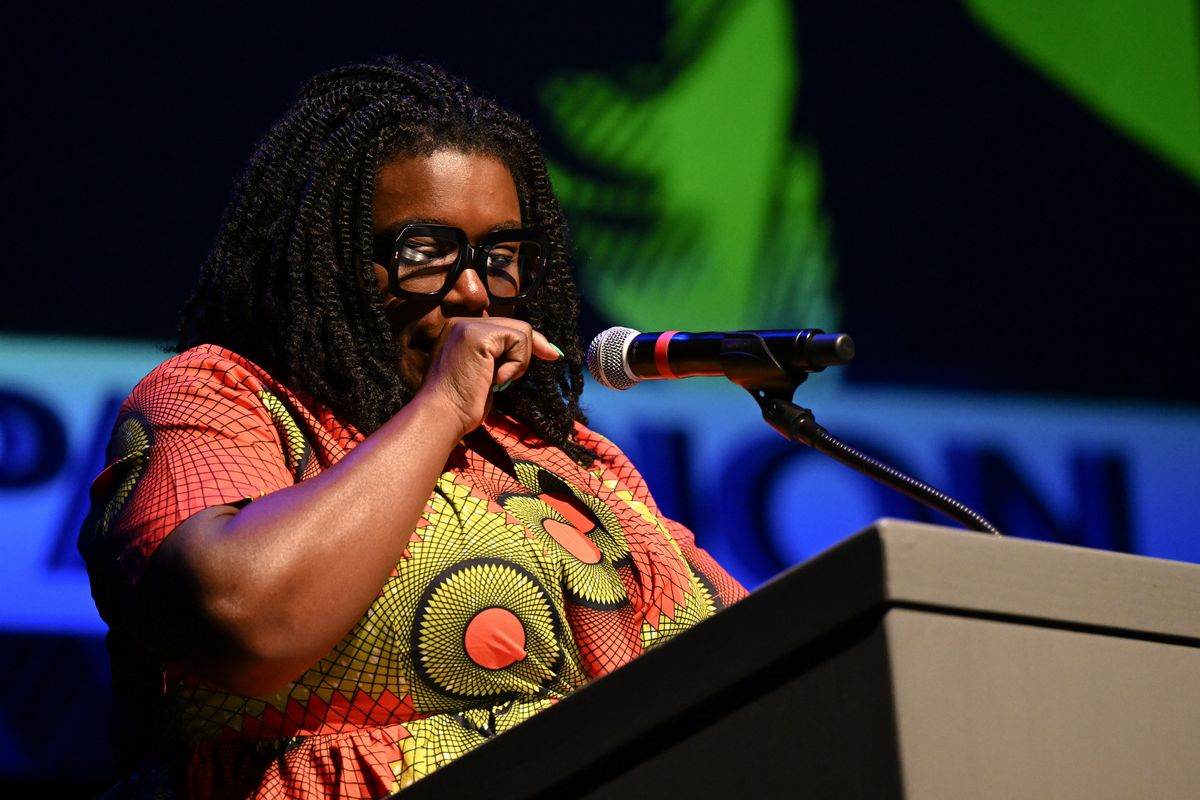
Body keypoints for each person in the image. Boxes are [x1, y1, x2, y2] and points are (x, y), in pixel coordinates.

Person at [79, 58, 746, 799]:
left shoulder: (574, 460)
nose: (472, 289)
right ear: (332, 261)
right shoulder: (223, 396)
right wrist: (441, 409)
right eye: (424, 252)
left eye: (500, 256)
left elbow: (749, 656)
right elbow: (242, 620)